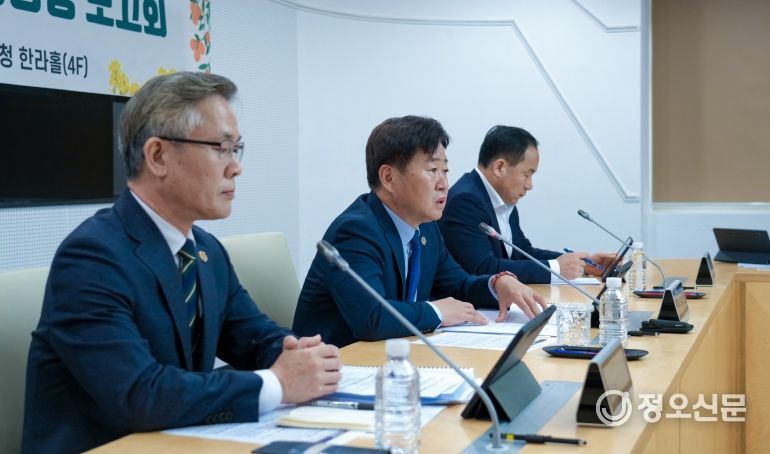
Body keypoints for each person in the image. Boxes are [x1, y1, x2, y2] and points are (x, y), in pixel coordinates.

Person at [21, 72, 341, 453]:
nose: (236, 167)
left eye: (236, 149)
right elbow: (141, 393)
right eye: (221, 148)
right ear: (158, 156)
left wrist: (297, 354)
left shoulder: (205, 251)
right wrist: (277, 384)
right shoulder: (91, 257)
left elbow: (252, 336)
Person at [292, 116, 547, 348]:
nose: (444, 184)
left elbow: (458, 285)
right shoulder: (356, 231)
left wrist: (497, 284)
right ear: (388, 178)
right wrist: (438, 312)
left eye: (445, 171)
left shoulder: (426, 228)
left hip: (395, 356)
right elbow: (372, 318)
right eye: (432, 170)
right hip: (340, 366)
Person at [439, 125, 615, 284]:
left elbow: (522, 252)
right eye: (527, 174)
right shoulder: (465, 200)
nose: (530, 185)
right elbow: (481, 268)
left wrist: (581, 263)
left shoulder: (502, 198)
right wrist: (555, 268)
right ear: (499, 167)